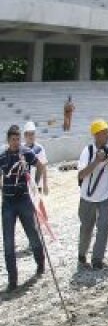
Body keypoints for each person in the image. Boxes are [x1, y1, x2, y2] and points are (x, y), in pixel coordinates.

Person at [1, 124, 45, 291]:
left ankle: (40, 263)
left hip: (25, 200)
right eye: (13, 139)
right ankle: (13, 279)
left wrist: (36, 186)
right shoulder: (2, 156)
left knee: (32, 233)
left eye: (18, 139)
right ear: (8, 140)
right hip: (8, 203)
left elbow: (40, 166)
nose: (16, 142)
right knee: (8, 242)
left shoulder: (26, 152)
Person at [77, 120, 108, 270]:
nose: (107, 135)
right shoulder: (88, 151)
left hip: (106, 196)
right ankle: (82, 255)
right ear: (96, 135)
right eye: (104, 133)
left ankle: (97, 259)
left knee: (103, 228)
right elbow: (81, 174)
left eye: (107, 132)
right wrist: (96, 161)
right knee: (86, 227)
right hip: (87, 197)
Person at [21, 121, 48, 195]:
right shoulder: (21, 149)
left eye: (32, 134)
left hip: (37, 185)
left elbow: (44, 167)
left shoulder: (39, 148)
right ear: (24, 135)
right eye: (28, 134)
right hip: (24, 186)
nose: (31, 136)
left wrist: (45, 184)